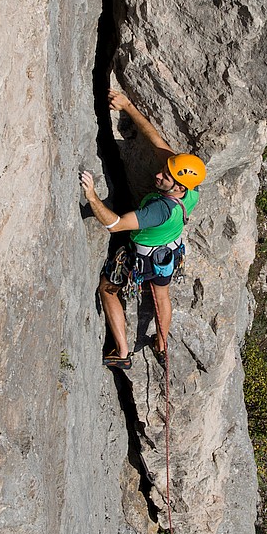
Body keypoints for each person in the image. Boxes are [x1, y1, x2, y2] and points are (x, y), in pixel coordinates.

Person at [80, 89, 206, 370]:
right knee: (162, 296)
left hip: (144, 254)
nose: (159, 174)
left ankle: (122, 353)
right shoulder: (190, 186)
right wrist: (126, 105)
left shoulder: (159, 209)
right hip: (169, 254)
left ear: (178, 187)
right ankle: (161, 346)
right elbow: (155, 140)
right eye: (164, 169)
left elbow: (114, 224)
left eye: (166, 176)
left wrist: (92, 197)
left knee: (108, 289)